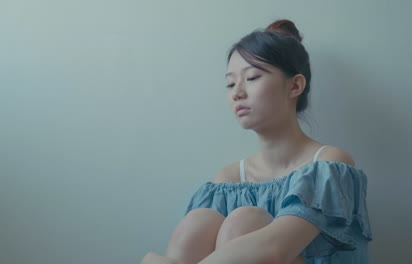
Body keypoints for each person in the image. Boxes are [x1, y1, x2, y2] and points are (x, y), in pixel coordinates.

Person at [141, 19, 373, 264]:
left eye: (251, 78)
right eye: (230, 83)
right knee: (198, 223)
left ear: (295, 85)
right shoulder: (227, 180)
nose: (237, 93)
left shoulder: (329, 164)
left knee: (246, 221)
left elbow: (274, 249)